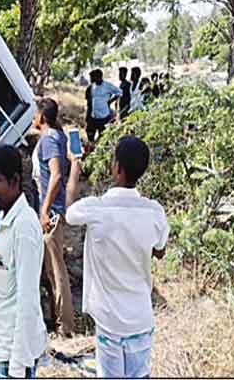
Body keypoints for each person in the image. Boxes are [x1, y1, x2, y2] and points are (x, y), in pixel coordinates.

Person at [64, 135, 169, 379]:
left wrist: (74, 169)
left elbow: (69, 212)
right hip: (140, 318)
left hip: (109, 320)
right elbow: (159, 251)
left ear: (118, 169)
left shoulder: (96, 208)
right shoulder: (154, 212)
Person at [0, 145, 47, 379]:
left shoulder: (24, 227)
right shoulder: (7, 217)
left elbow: (28, 300)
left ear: (15, 180)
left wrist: (17, 367)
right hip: (2, 346)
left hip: (14, 357)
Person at [32, 98, 74, 336]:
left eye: (35, 114)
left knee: (56, 271)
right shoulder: (57, 135)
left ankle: (65, 326)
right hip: (53, 210)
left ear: (42, 117)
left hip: (52, 214)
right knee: (50, 269)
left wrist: (45, 210)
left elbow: (56, 175)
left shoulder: (49, 138)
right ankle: (56, 319)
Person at [85, 69, 121, 143]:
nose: (95, 79)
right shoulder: (92, 87)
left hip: (104, 116)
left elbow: (119, 92)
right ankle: (91, 147)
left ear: (100, 77)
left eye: (97, 77)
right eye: (94, 77)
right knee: (90, 134)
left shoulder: (108, 85)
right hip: (93, 116)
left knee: (103, 137)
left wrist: (110, 101)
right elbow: (89, 102)